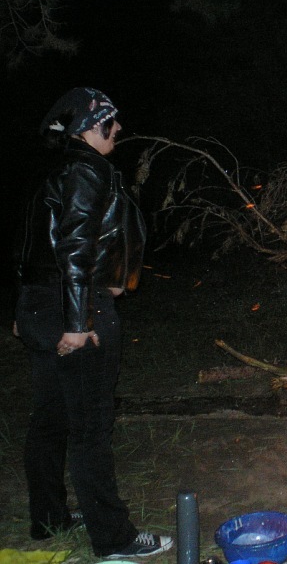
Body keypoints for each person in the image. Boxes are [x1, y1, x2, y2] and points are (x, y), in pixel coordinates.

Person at [12, 87, 174, 558]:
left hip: (44, 306)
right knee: (90, 428)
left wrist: (24, 314)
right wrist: (79, 321)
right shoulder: (86, 169)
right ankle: (114, 538)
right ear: (86, 128)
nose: (117, 128)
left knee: (52, 418)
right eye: (109, 120)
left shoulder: (56, 169)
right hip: (77, 309)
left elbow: (31, 247)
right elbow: (75, 248)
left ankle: (49, 517)